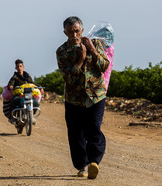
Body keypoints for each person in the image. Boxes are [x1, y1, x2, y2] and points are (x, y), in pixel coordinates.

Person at [56, 16, 110, 179]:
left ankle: (94, 162)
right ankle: (82, 166)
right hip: (74, 99)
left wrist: (92, 51)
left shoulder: (96, 43)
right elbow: (68, 79)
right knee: (76, 133)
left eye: (77, 31)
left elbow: (104, 66)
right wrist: (80, 59)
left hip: (96, 95)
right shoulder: (62, 52)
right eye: (70, 32)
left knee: (94, 127)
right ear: (65, 32)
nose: (74, 35)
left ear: (82, 30)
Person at [4, 59, 43, 123]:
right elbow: (10, 83)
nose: (19, 68)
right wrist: (11, 86)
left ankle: (32, 116)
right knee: (14, 101)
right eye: (18, 66)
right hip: (19, 95)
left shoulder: (27, 76)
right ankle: (13, 117)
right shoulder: (15, 77)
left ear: (23, 67)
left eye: (20, 66)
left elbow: (32, 83)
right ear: (15, 68)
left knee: (35, 102)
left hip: (28, 94)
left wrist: (40, 87)